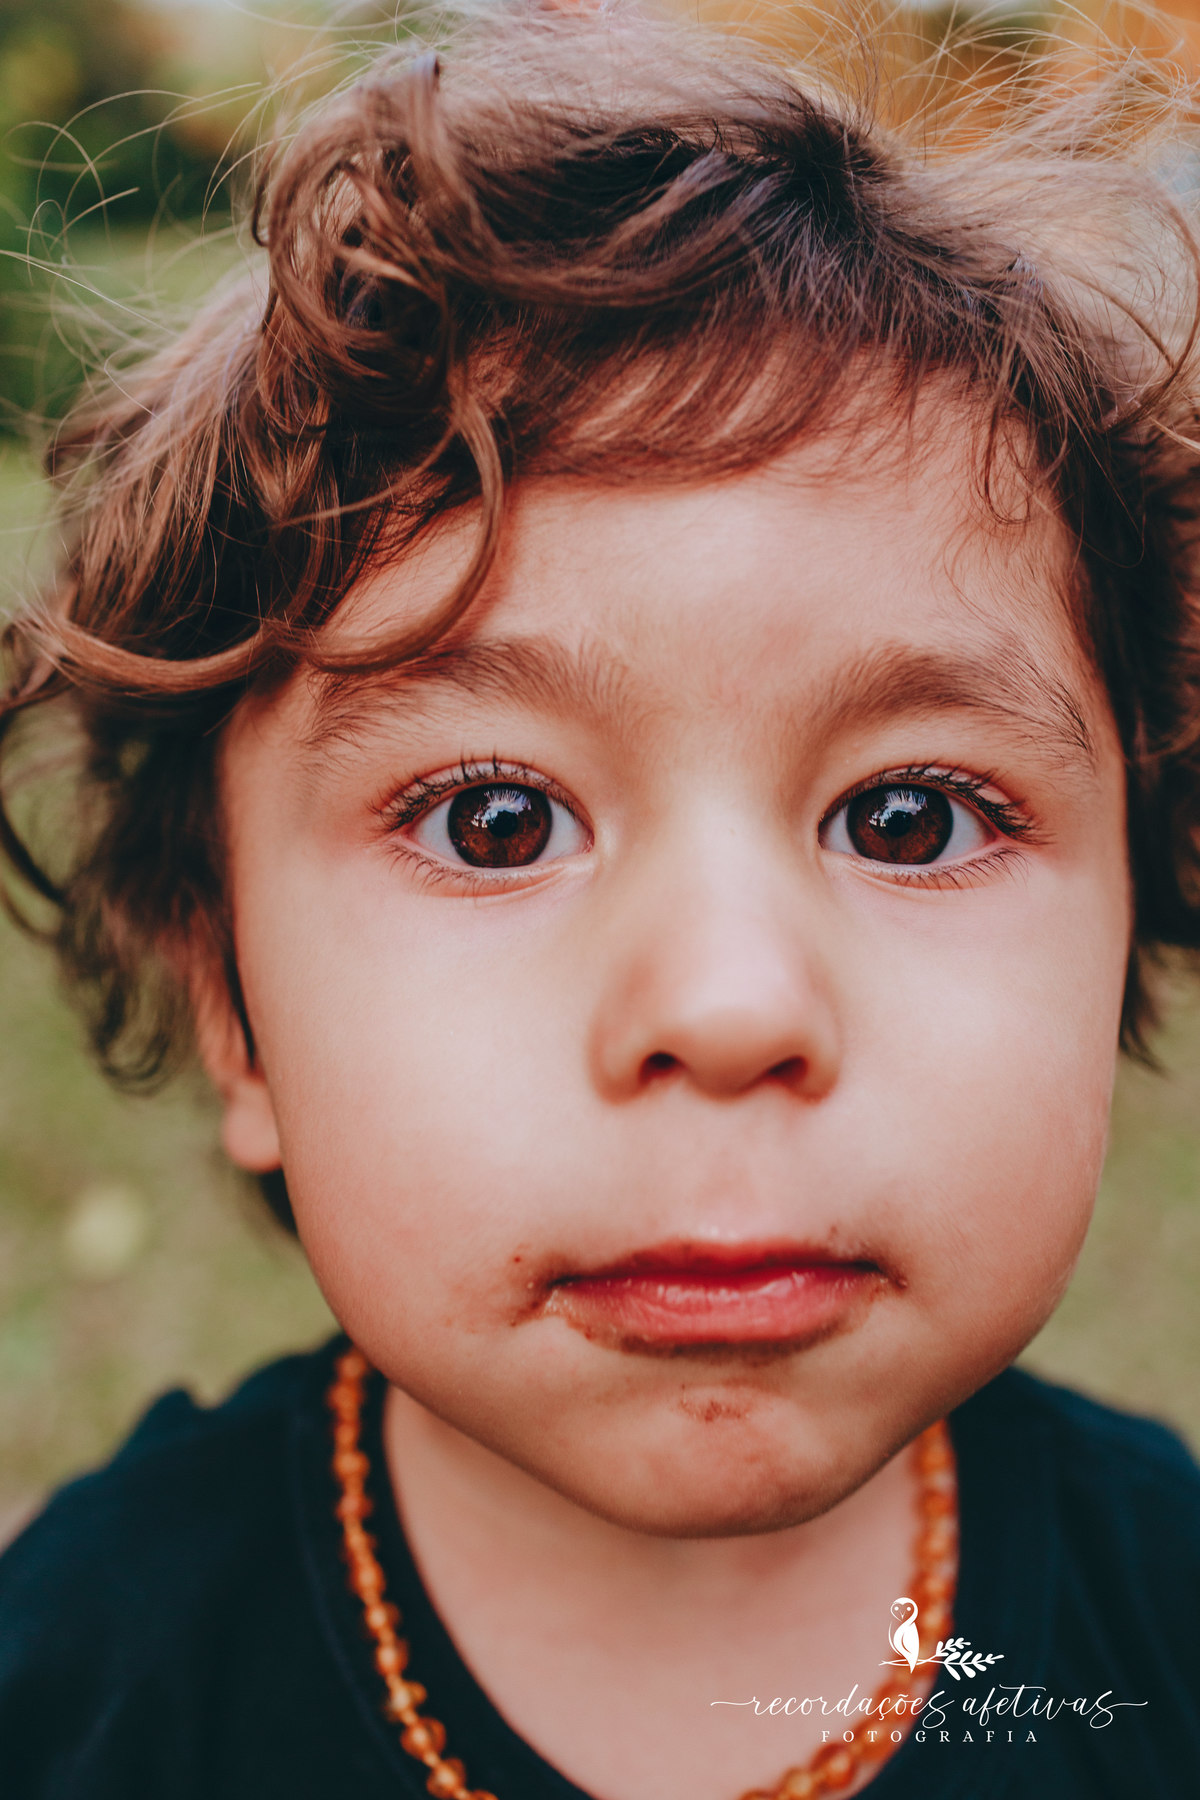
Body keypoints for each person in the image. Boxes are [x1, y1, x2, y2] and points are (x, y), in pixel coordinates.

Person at [0, 3, 1198, 1795]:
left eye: (911, 819)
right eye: (495, 823)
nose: (730, 1006)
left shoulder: (1164, 1622)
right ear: (230, 1004)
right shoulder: (83, 1688)